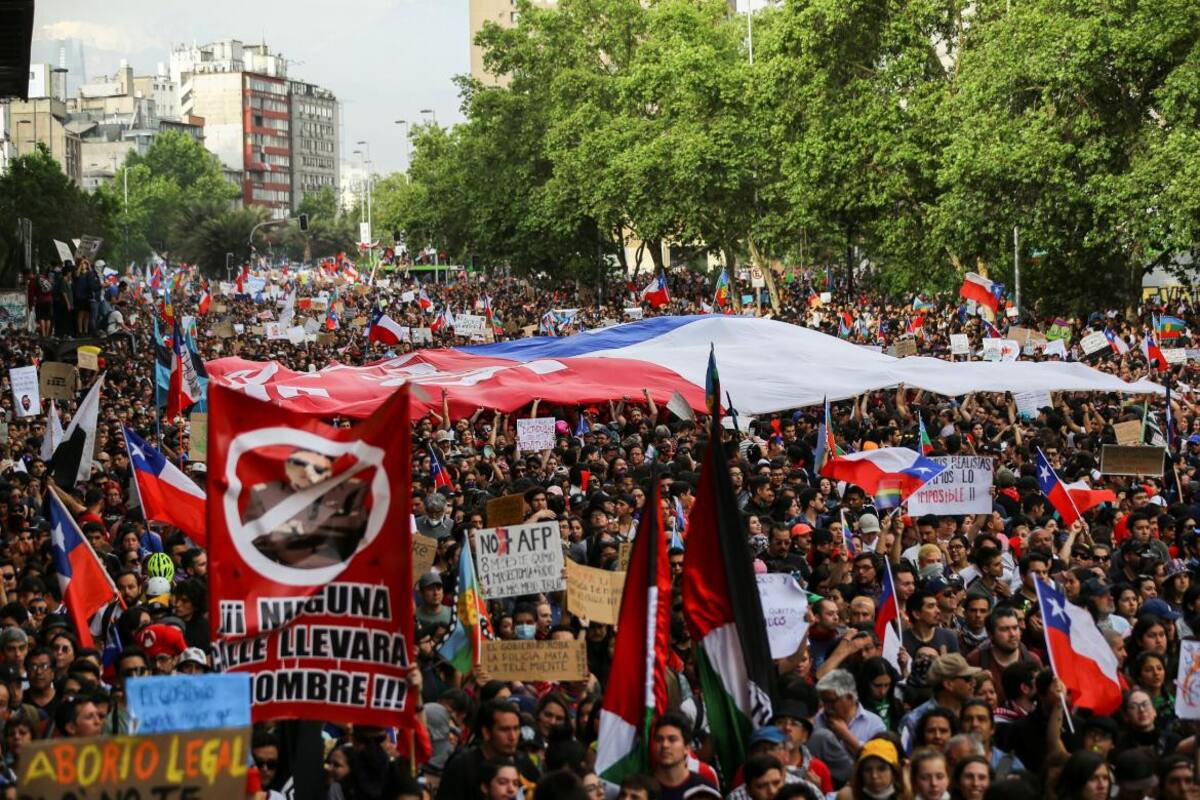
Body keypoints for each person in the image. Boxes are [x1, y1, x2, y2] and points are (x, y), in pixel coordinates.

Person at [809, 670, 887, 786]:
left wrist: (847, 736)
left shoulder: (874, 724)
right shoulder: (816, 720)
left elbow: (881, 762)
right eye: (824, 702)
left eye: (831, 701)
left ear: (850, 698)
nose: (826, 707)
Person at [437, 701, 527, 800]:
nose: (513, 737)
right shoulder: (462, 766)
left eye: (516, 729)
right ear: (486, 732)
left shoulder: (523, 762)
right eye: (504, 730)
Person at [649, 711, 720, 800]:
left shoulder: (704, 792)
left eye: (672, 739)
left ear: (687, 747)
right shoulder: (641, 791)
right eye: (659, 739)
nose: (664, 745)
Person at [834, 737, 904, 800]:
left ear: (894, 772)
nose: (874, 776)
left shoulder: (905, 795)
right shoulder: (848, 796)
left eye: (882, 769)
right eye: (867, 770)